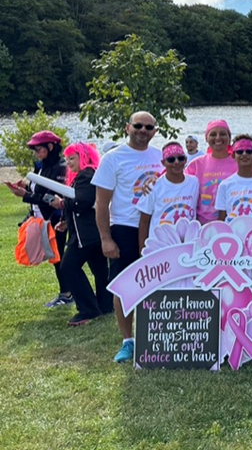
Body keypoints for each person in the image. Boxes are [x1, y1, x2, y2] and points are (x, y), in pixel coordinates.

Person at [92, 111, 164, 363]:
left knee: (158, 281)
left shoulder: (161, 157)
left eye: (148, 127)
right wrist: (105, 238)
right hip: (124, 227)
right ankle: (128, 340)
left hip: (158, 228)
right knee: (124, 287)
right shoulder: (113, 159)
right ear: (127, 128)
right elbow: (101, 204)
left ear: (155, 131)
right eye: (138, 126)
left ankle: (157, 336)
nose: (143, 130)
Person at [5, 130, 70, 307]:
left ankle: (67, 294)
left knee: (59, 257)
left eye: (38, 149)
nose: (36, 153)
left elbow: (53, 199)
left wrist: (25, 194)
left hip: (56, 218)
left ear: (50, 147)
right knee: (55, 256)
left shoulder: (61, 167)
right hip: (41, 217)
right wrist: (25, 186)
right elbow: (38, 190)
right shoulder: (40, 166)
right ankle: (66, 293)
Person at [51, 142, 112, 326]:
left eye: (72, 158)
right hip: (92, 232)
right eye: (67, 158)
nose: (68, 162)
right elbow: (82, 206)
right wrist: (66, 221)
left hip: (85, 235)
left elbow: (81, 202)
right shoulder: (87, 175)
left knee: (68, 267)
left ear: (84, 157)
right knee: (100, 270)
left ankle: (88, 309)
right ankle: (105, 306)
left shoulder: (87, 175)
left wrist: (61, 204)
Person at [136, 141, 199, 248]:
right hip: (160, 246)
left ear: (186, 160)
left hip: (187, 245)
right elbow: (144, 222)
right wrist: (143, 251)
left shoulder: (194, 182)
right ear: (163, 163)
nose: (176, 162)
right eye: (171, 159)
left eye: (180, 158)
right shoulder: (153, 187)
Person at [184, 120, 238, 224]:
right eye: (213, 134)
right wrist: (155, 179)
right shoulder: (196, 165)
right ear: (206, 138)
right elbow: (177, 182)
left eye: (223, 134)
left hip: (232, 225)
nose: (218, 138)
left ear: (229, 138)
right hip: (202, 225)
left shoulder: (240, 163)